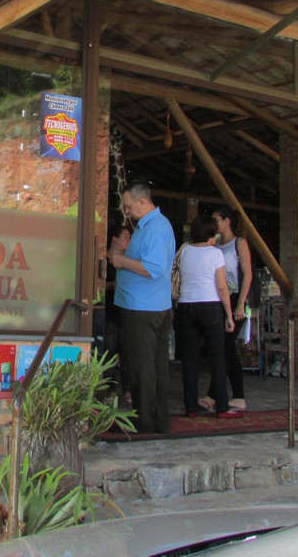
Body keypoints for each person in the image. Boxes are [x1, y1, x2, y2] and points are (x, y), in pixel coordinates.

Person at [110, 180, 175, 433]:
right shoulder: (148, 226)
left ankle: (144, 421)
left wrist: (122, 261)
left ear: (142, 201)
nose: (127, 211)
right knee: (152, 366)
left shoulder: (156, 227)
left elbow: (154, 268)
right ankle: (156, 420)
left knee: (142, 367)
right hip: (146, 305)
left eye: (128, 206)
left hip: (144, 308)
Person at [174, 214, 235, 418]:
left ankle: (191, 407)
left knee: (190, 359)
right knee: (216, 358)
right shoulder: (215, 254)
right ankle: (222, 407)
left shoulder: (185, 251)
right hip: (210, 305)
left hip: (185, 305)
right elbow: (221, 286)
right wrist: (229, 314)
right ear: (211, 233)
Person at [204, 206, 253, 412]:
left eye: (217, 220)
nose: (215, 224)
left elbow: (247, 274)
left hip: (235, 299)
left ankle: (212, 394)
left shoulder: (239, 243)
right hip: (220, 299)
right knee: (227, 349)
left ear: (227, 222)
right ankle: (238, 396)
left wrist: (241, 303)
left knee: (224, 347)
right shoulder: (216, 245)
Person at [104, 223, 131, 403]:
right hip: (109, 311)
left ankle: (128, 390)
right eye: (126, 237)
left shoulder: (130, 262)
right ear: (115, 239)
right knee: (110, 351)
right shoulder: (103, 261)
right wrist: (109, 285)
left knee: (127, 351)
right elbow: (95, 285)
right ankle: (111, 390)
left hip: (127, 310)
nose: (129, 241)